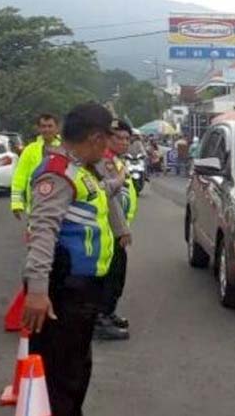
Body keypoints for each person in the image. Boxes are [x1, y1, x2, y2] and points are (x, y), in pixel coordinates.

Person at [21, 103, 131, 416]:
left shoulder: (80, 170)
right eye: (108, 139)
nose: (110, 147)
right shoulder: (57, 174)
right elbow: (42, 233)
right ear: (96, 138)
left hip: (80, 289)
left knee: (76, 367)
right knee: (61, 374)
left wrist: (118, 188)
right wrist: (39, 292)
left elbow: (98, 194)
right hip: (62, 288)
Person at [94, 119, 140, 341]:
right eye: (117, 138)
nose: (123, 142)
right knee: (111, 274)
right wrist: (121, 229)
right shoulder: (104, 161)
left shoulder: (116, 161)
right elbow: (110, 199)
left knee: (118, 273)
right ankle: (101, 318)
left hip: (116, 227)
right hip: (109, 229)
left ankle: (108, 312)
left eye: (126, 138)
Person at [11, 113, 61, 219]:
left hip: (62, 208)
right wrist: (16, 204)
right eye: (43, 126)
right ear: (38, 129)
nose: (46, 130)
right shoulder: (29, 150)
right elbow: (19, 178)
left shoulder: (66, 148)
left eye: (50, 126)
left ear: (57, 128)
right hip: (36, 208)